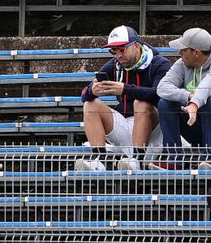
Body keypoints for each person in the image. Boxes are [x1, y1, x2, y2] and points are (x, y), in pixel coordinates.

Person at [78, 25, 170, 170]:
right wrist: (92, 90)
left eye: (122, 49)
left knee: (141, 103)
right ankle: (100, 160)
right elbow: (83, 95)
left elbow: (161, 94)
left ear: (137, 46)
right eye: (113, 50)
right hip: (126, 125)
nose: (118, 55)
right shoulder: (115, 65)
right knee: (90, 105)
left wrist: (125, 89)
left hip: (155, 130)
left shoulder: (160, 64)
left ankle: (137, 161)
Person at [155, 28, 211, 169]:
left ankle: (209, 159)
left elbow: (207, 86)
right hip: (195, 125)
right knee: (165, 103)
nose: (180, 53)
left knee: (210, 102)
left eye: (183, 50)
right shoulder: (182, 63)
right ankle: (173, 160)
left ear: (196, 52)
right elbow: (162, 87)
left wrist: (195, 104)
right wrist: (188, 96)